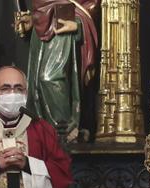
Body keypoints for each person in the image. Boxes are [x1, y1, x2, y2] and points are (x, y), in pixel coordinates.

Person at [15, 0, 99, 141]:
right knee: (36, 86)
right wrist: (36, 19)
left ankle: (63, 132)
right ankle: (44, 134)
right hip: (43, 22)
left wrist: (80, 24)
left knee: (50, 78)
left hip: (64, 20)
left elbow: (92, 4)